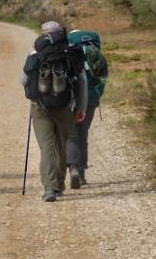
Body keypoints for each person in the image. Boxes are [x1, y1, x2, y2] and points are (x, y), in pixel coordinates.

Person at [20, 21, 88, 202]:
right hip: (66, 106)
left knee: (47, 147)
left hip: (40, 107)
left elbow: (23, 79)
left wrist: (33, 95)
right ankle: (60, 184)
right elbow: (82, 81)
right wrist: (81, 107)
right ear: (60, 32)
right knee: (61, 144)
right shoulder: (71, 49)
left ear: (43, 33)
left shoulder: (35, 50)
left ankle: (50, 188)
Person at [66, 29, 108, 189]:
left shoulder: (70, 53)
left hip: (72, 99)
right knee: (83, 134)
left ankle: (73, 168)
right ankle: (82, 173)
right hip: (91, 100)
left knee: (71, 135)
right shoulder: (96, 54)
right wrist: (96, 96)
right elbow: (103, 79)